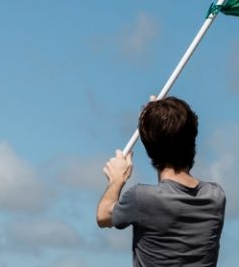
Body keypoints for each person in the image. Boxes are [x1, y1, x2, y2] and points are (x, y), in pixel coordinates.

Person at [96, 96, 225, 266]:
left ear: (150, 146)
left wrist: (117, 180)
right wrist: (162, 115)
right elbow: (179, 131)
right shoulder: (215, 197)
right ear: (192, 138)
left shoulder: (140, 199)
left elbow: (103, 216)